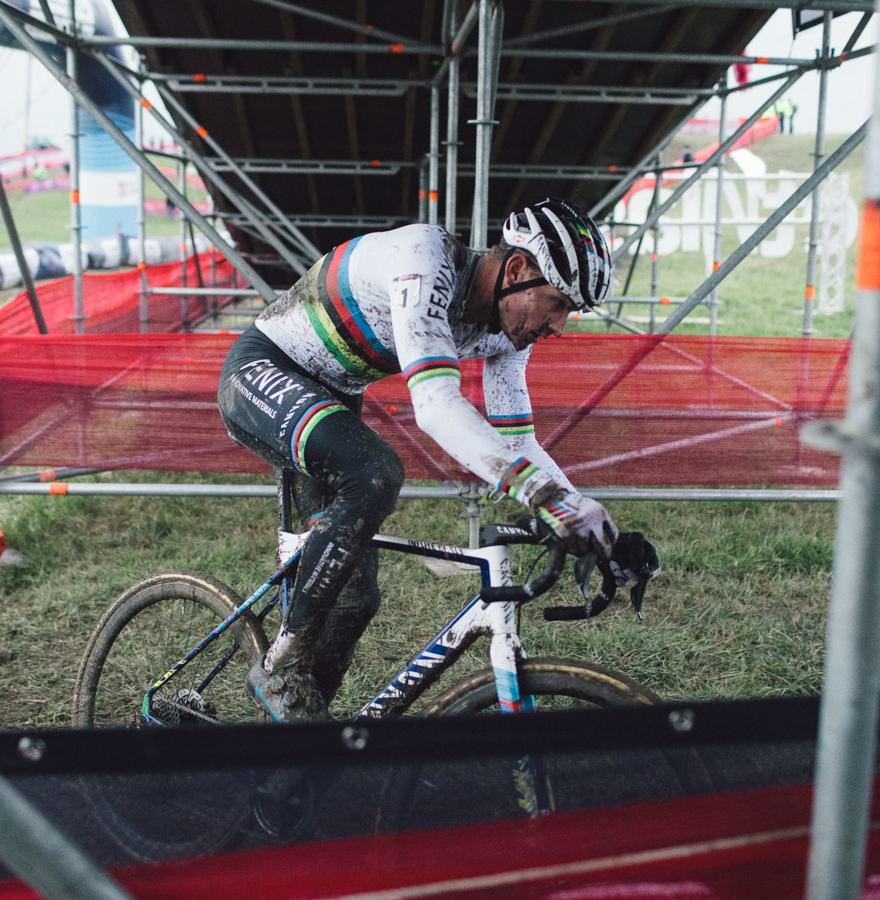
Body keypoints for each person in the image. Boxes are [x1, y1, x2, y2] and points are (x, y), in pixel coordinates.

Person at [217, 197, 619, 722]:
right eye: (558, 304)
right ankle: (281, 664)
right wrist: (540, 496)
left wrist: (591, 519)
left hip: (333, 395)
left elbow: (518, 442)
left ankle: (303, 742)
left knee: (355, 601)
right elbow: (435, 407)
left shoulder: (506, 331)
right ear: (517, 270)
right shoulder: (424, 260)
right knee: (375, 473)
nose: (559, 327)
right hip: (262, 370)